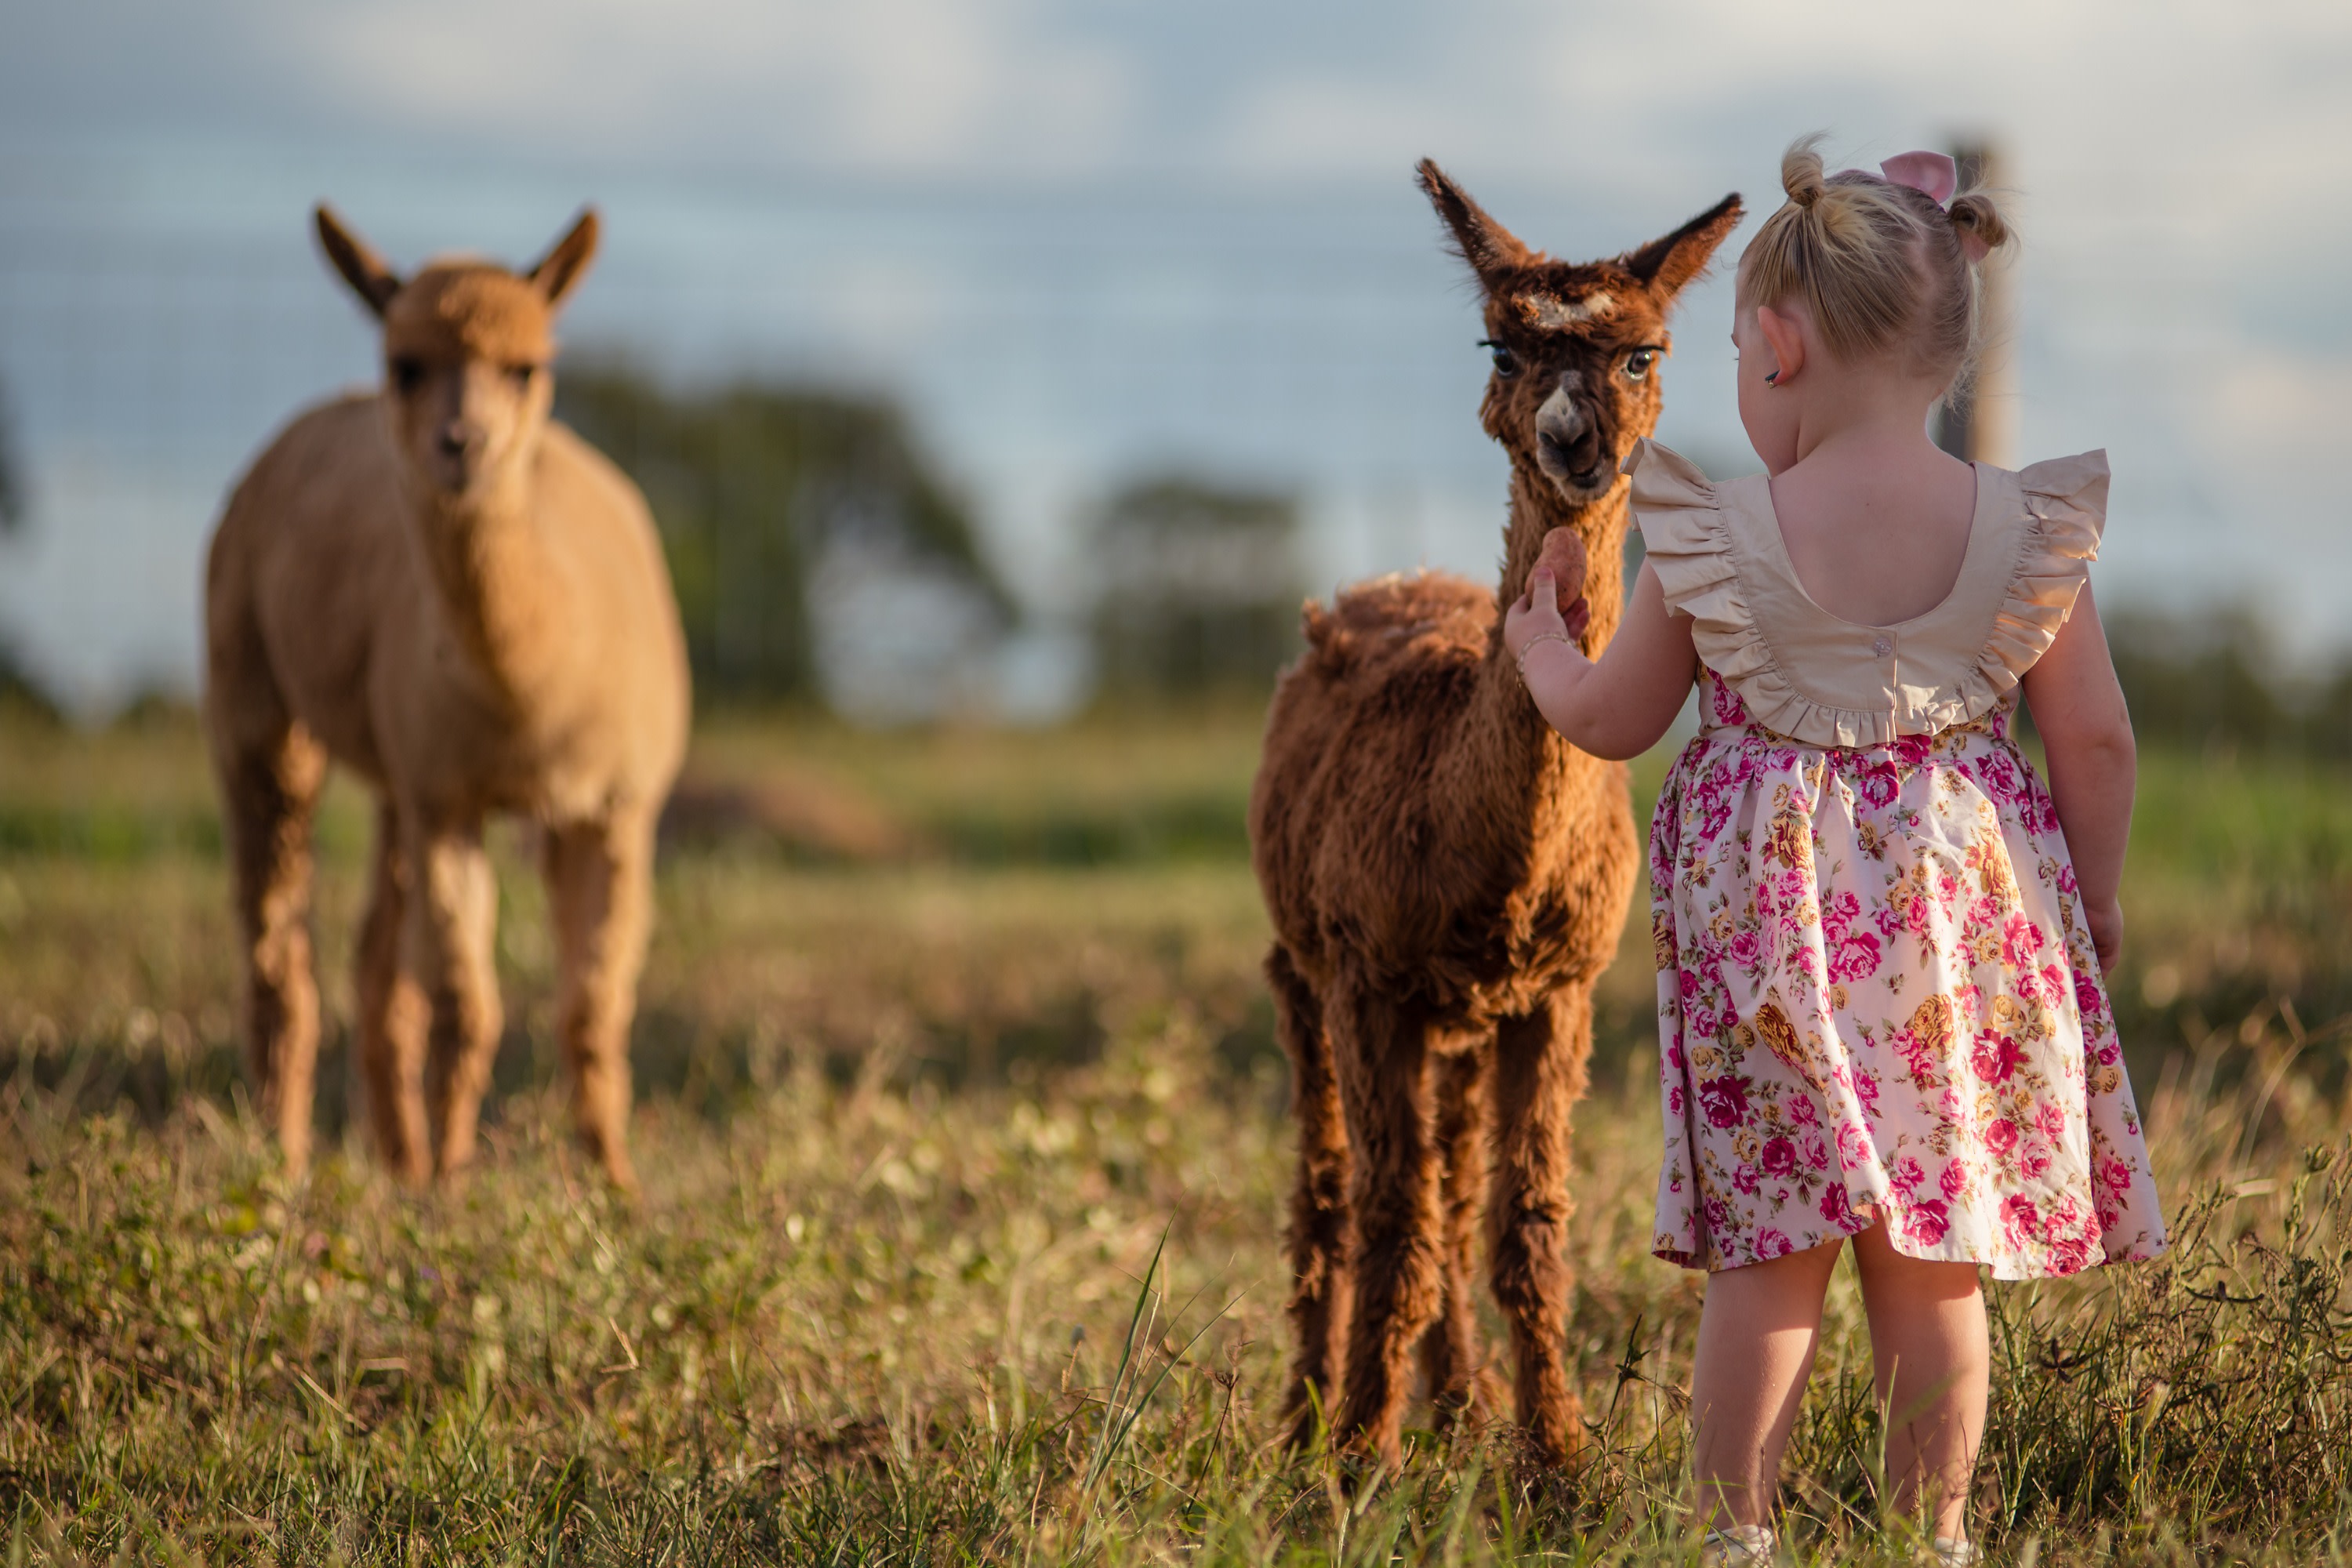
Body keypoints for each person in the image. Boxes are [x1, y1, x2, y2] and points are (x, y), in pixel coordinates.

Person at [1503, 137, 2167, 1564]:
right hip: (1963, 944)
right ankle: (1933, 1539)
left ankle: (1734, 1536)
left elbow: (1614, 720)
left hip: (1770, 957)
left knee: (1769, 1264)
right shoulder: (2028, 529)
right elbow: (2099, 741)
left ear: (1779, 347)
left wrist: (1540, 644)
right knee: (1936, 1269)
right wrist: (2095, 900)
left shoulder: (1717, 535)